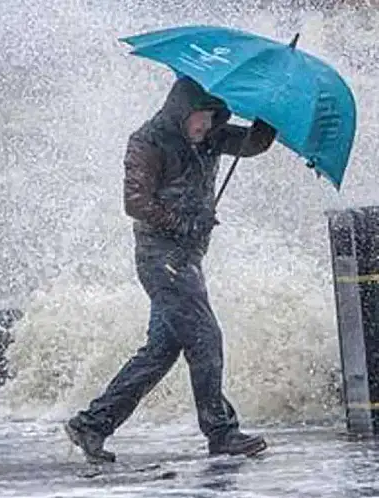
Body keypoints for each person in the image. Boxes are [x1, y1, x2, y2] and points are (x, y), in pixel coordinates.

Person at [64, 76, 277, 463]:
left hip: (187, 259)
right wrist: (184, 222)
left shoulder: (210, 136)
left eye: (213, 118)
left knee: (160, 351)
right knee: (205, 337)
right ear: (182, 111)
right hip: (160, 258)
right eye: (201, 118)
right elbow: (135, 203)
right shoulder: (147, 141)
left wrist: (269, 115)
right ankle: (221, 431)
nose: (206, 126)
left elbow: (252, 144)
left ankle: (92, 425)